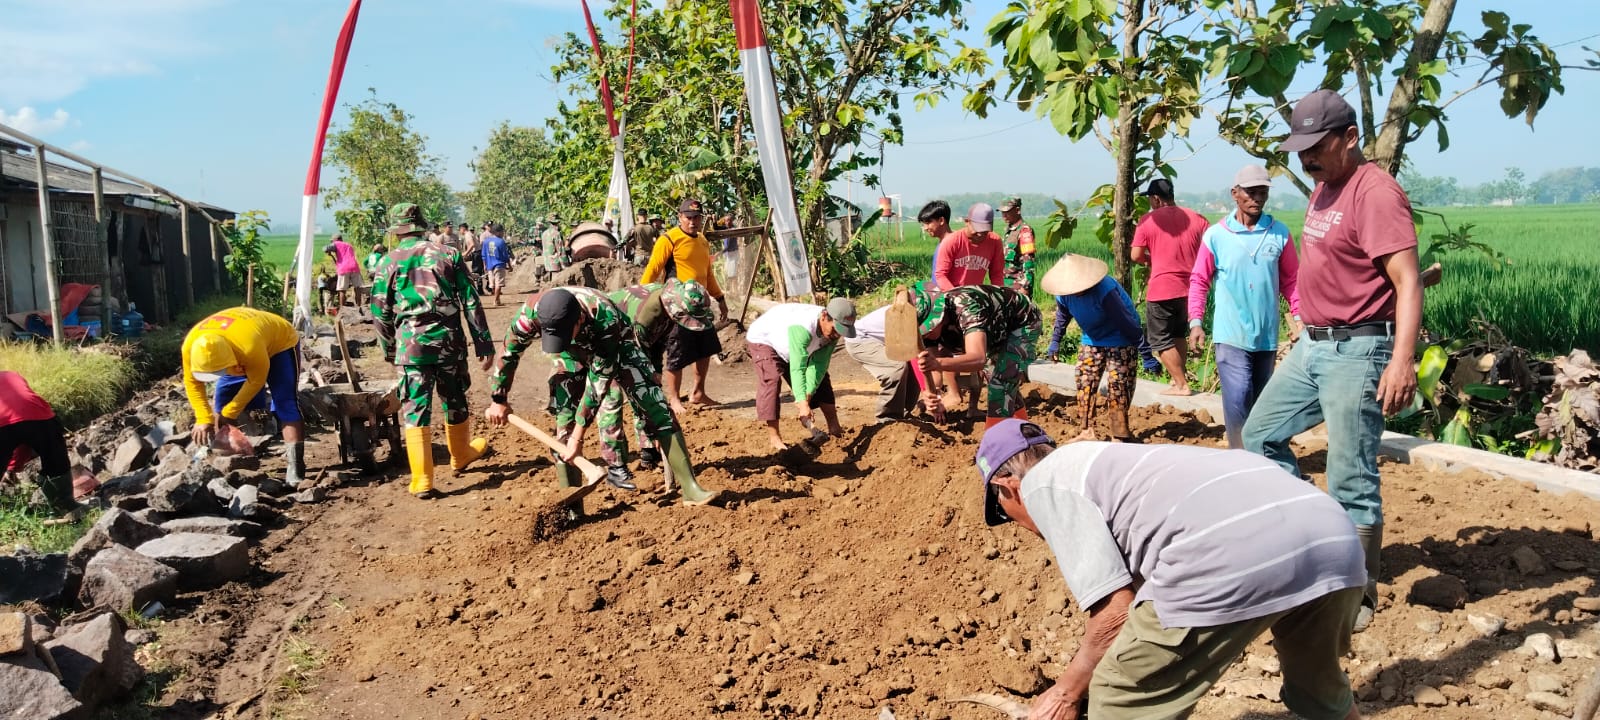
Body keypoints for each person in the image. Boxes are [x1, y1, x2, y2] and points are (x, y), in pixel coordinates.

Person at [972, 420, 1367, 720]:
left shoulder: (1043, 485)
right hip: (1332, 538)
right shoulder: (1110, 463)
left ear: (1008, 487)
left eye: (1004, 513)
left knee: (1119, 695)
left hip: (1233, 554)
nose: (1017, 523)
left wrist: (1067, 692)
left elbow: (1115, 615)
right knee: (1317, 683)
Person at [1242, 89, 1421, 633]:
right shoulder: (1325, 187)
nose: (1307, 159)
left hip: (1358, 349)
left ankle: (1354, 595)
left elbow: (1408, 282)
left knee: (1350, 474)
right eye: (1301, 150)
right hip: (1315, 344)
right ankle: (1312, 540)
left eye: (1317, 147)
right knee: (1260, 435)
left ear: (1350, 138)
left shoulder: (1375, 194)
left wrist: (1402, 360)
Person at [484, 287, 721, 506]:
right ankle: (571, 507)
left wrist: (578, 439)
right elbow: (508, 352)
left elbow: (597, 386)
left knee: (655, 404)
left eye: (566, 333)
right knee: (564, 424)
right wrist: (498, 399)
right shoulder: (529, 315)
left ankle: (691, 489)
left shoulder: (605, 317)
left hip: (618, 344)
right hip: (568, 356)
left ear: (579, 320)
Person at [370, 203, 495, 499]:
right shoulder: (448, 254)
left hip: (411, 347)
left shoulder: (388, 262)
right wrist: (483, 343)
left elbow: (379, 312)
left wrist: (390, 349)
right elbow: (471, 300)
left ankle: (423, 479)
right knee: (455, 398)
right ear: (421, 226)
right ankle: (460, 454)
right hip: (449, 343)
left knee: (415, 407)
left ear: (397, 231)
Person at [1188, 165, 1303, 449]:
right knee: (1238, 395)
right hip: (1230, 333)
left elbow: (1292, 280)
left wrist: (1300, 317)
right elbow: (1199, 279)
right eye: (1251, 192)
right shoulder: (1216, 235)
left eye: (1262, 192)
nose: (1257, 198)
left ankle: (1259, 453)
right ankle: (1239, 454)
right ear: (1235, 194)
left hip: (1266, 334)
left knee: (1261, 400)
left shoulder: (1279, 233)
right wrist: (1196, 321)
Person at [180, 306, 307, 487]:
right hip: (238, 345)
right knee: (221, 400)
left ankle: (296, 466)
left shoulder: (249, 348)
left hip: (279, 343)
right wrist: (203, 418)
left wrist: (230, 412)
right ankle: (222, 460)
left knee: (285, 402)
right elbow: (192, 383)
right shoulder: (190, 347)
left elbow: (256, 382)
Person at [641, 198, 731, 414]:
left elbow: (708, 274)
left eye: (696, 217)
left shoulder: (702, 241)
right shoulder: (668, 239)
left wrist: (720, 298)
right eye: (688, 217)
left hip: (700, 306)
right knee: (677, 353)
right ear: (680, 217)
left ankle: (698, 392)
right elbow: (653, 269)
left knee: (706, 349)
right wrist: (642, 297)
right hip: (676, 307)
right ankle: (673, 398)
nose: (692, 221)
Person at [1041, 255, 1143, 442]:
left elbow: (1125, 321)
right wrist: (1055, 341)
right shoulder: (1064, 293)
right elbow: (1062, 316)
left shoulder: (1105, 289)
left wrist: (1144, 349)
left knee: (1118, 385)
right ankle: (1087, 430)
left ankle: (1119, 435)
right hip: (1092, 338)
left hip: (1120, 337)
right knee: (1084, 378)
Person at [912, 282, 1041, 427]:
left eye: (927, 331)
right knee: (998, 379)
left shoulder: (967, 307)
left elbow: (978, 359)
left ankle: (996, 437)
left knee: (1000, 381)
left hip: (1022, 321)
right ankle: (1023, 429)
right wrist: (933, 395)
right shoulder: (927, 333)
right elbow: (933, 371)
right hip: (993, 331)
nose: (925, 335)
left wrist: (938, 363)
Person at [1131, 178, 1208, 396]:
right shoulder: (1197, 218)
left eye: (1150, 199)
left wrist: (1151, 259)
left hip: (1162, 289)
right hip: (1191, 289)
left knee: (1158, 339)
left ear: (1156, 199)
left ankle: (1181, 384)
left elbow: (1135, 255)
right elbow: (1210, 250)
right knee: (1177, 335)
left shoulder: (1147, 221)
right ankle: (1178, 381)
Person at [746, 298, 856, 450]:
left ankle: (835, 428)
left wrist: (807, 396)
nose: (837, 335)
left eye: (841, 331)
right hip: (765, 340)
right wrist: (803, 403)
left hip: (794, 346)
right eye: (835, 329)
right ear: (824, 316)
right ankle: (775, 438)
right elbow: (798, 368)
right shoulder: (803, 326)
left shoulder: (833, 333)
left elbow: (819, 366)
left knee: (822, 379)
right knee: (772, 379)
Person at [932, 202, 1005, 416]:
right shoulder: (952, 242)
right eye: (977, 230)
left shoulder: (994, 241)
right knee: (948, 349)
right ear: (966, 222)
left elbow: (997, 274)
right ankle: (953, 393)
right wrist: (957, 297)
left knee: (979, 353)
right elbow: (940, 275)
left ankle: (973, 407)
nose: (981, 236)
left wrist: (996, 300)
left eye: (985, 231)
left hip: (977, 305)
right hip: (951, 303)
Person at [0, 371, 81, 519]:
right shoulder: (11, 375)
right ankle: (66, 507)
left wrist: (12, 467)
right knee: (56, 461)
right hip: (38, 415)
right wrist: (13, 468)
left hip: (5, 423)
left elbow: (16, 432)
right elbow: (24, 431)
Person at [843, 304, 923, 423]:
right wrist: (929, 393)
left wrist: (933, 394)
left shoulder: (922, 316)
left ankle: (903, 414)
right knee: (896, 368)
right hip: (860, 340)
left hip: (883, 341)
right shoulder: (905, 316)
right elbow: (916, 358)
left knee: (913, 369)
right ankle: (887, 419)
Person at [998, 197, 1037, 298]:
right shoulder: (1009, 230)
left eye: (1007, 211)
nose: (1004, 215)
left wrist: (1025, 287)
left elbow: (1028, 262)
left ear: (1017, 210)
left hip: (1018, 287)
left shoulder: (1025, 231)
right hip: (1005, 285)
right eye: (1002, 212)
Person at [323, 234, 364, 315]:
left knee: (342, 290)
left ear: (336, 240)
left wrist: (328, 251)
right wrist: (332, 254)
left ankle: (342, 311)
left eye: (332, 241)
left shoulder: (336, 244)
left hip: (344, 269)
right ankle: (359, 307)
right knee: (357, 288)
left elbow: (325, 248)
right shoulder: (349, 245)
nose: (332, 242)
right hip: (354, 267)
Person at [917, 200, 953, 281]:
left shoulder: (950, 245)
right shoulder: (945, 242)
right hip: (937, 286)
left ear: (941, 221)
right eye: (924, 224)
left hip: (944, 288)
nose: (925, 228)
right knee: (919, 285)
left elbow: (942, 278)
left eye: (928, 223)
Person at [480, 222, 512, 307]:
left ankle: (497, 299)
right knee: (498, 284)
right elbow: (505, 255)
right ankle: (496, 300)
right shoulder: (501, 241)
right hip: (499, 265)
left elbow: (483, 255)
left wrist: (484, 265)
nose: (503, 233)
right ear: (498, 232)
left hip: (490, 265)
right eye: (502, 232)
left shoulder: (486, 242)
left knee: (493, 284)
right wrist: (509, 265)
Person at [540, 214, 567, 280]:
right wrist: (565, 264)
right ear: (558, 222)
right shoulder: (556, 233)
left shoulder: (544, 234)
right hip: (556, 264)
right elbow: (561, 251)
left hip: (547, 264)